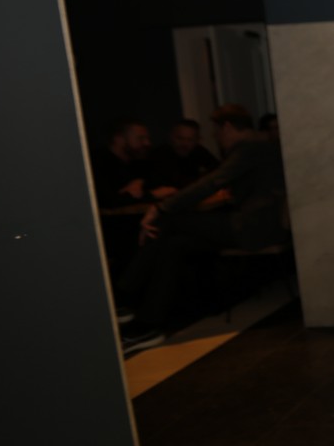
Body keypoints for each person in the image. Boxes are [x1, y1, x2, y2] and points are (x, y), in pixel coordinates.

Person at [119, 104, 288, 353]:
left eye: (216, 132)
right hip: (261, 227)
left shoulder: (251, 147)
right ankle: (148, 324)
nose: (216, 137)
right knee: (174, 245)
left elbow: (212, 182)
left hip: (253, 228)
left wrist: (160, 207)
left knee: (169, 220)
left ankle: (122, 295)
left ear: (227, 127)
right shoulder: (262, 147)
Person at [90, 118, 153, 208]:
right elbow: (107, 200)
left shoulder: (140, 163)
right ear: (119, 139)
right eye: (140, 138)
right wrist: (151, 194)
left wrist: (141, 183)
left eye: (148, 138)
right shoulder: (98, 163)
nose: (147, 143)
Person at [147, 119, 219, 193]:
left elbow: (218, 171)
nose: (184, 143)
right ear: (171, 136)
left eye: (190, 140)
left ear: (197, 140)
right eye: (180, 138)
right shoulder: (159, 156)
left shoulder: (200, 152)